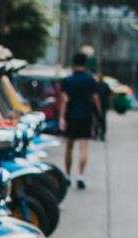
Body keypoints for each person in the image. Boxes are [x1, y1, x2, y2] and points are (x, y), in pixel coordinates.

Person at [59, 52, 102, 189]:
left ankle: (67, 175)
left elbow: (64, 100)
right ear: (85, 64)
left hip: (71, 116)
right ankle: (80, 176)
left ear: (73, 63)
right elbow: (96, 99)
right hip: (85, 116)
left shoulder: (67, 80)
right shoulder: (90, 80)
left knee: (69, 146)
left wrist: (61, 117)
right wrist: (100, 116)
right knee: (84, 147)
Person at [94, 73, 112, 141]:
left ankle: (100, 134)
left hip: (102, 105)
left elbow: (109, 95)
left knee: (100, 120)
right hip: (99, 105)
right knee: (99, 120)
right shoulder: (98, 85)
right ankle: (98, 134)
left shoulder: (102, 85)